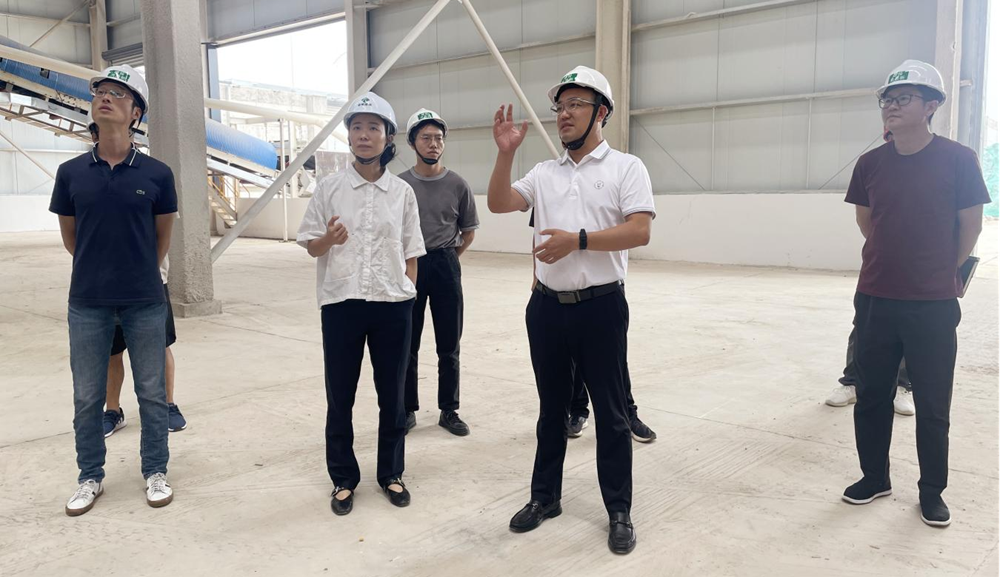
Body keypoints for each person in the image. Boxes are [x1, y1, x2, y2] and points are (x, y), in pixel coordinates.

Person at [487, 66, 654, 554]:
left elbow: (640, 230)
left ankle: (619, 510)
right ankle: (545, 498)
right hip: (546, 308)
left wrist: (578, 241)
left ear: (601, 112)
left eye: (576, 104)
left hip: (601, 308)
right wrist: (505, 153)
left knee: (611, 413)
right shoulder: (545, 173)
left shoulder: (626, 168)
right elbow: (499, 203)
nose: (564, 114)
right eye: (560, 106)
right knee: (551, 410)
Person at [841, 60, 990, 528]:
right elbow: (867, 221)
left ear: (931, 106)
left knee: (931, 401)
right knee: (871, 394)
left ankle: (931, 491)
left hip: (932, 302)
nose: (891, 106)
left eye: (903, 98)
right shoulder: (870, 164)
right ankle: (874, 477)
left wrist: (940, 271)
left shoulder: (959, 159)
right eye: (886, 99)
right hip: (876, 296)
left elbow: (970, 225)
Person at [52, 65, 177, 516]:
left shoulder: (158, 174)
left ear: (136, 114)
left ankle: (155, 471)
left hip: (145, 300)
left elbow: (161, 238)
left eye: (118, 94)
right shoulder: (71, 173)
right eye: (100, 91)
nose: (105, 97)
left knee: (152, 392)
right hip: (87, 301)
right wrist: (100, 270)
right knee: (87, 396)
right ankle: (90, 476)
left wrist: (136, 271)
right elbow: (72, 239)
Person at [297, 92, 426, 516]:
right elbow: (312, 247)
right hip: (342, 304)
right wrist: (328, 240)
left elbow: (412, 250)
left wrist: (407, 290)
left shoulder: (402, 192)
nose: (364, 135)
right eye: (356, 127)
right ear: (349, 136)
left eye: (373, 127)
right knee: (341, 395)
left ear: (388, 136)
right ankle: (343, 478)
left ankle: (391, 473)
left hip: (392, 305)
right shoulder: (330, 189)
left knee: (393, 395)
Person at [81, 112, 187, 438]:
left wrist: (146, 271)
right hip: (104, 287)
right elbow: (76, 235)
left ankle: (167, 405)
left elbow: (164, 230)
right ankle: (112, 411)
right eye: (96, 132)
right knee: (111, 352)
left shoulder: (152, 173)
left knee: (159, 348)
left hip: (149, 285)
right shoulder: (84, 175)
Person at [527, 209, 657, 441]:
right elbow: (540, 234)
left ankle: (628, 413)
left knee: (613, 363)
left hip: (602, 289)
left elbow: (635, 230)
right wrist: (537, 273)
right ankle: (578, 411)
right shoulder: (547, 188)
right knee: (569, 356)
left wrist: (579, 241)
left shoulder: (608, 187)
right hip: (558, 288)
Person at [399, 109, 479, 437]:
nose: (433, 144)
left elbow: (468, 232)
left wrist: (448, 258)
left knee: (449, 343)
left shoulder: (457, 184)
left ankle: (449, 409)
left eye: (438, 138)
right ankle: (406, 409)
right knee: (407, 342)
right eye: (426, 138)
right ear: (412, 143)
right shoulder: (400, 185)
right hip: (410, 266)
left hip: (446, 264)